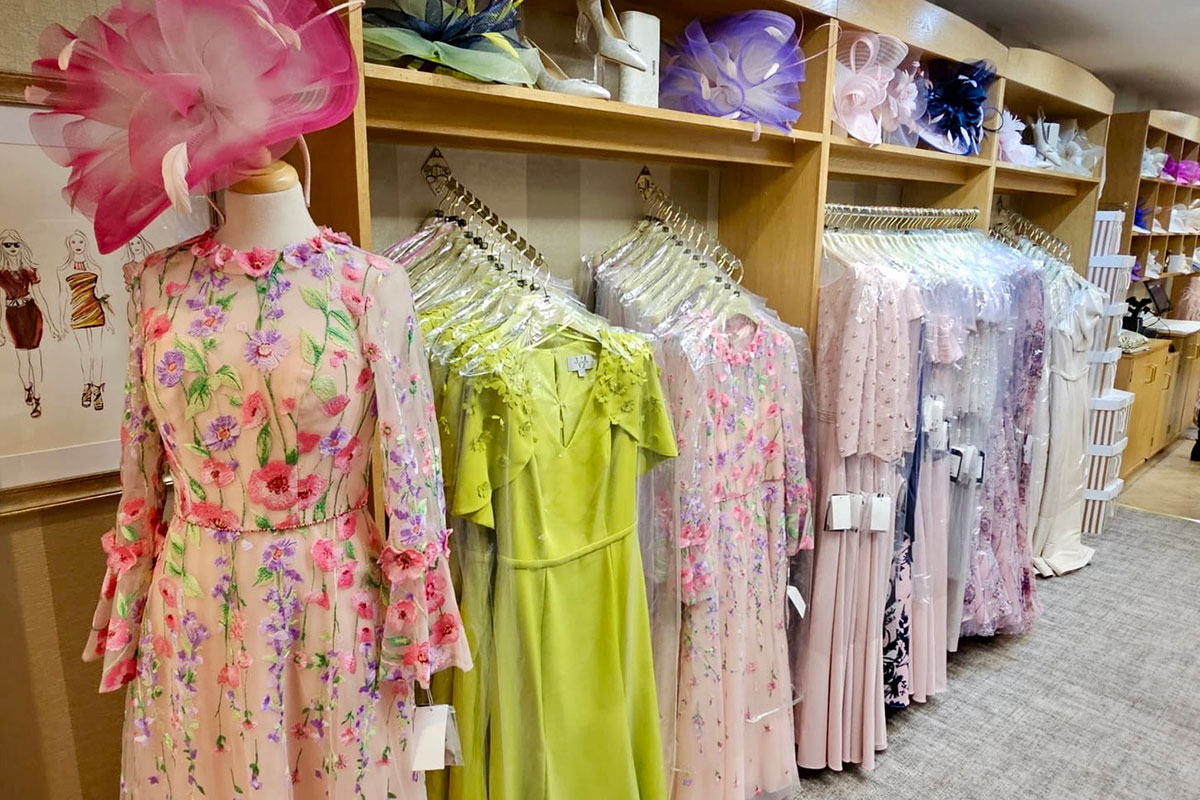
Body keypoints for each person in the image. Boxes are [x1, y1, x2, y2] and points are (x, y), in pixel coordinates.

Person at [0, 229, 59, 418]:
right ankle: (27, 387)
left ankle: (38, 399)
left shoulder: (29, 271)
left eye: (15, 244)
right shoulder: (1, 274)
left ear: (21, 246)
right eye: (7, 245)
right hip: (13, 315)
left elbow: (40, 296)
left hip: (31, 313)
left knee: (35, 356)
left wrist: (52, 324)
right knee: (22, 359)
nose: (12, 248)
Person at [58, 229, 112, 411]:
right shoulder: (63, 270)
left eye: (80, 241)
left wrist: (110, 318)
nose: (77, 245)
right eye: (73, 242)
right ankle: (86, 386)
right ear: (69, 245)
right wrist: (62, 320)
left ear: (86, 244)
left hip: (95, 311)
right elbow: (63, 295)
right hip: (78, 313)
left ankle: (97, 390)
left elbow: (102, 293)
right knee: (85, 353)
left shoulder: (95, 268)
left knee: (98, 352)